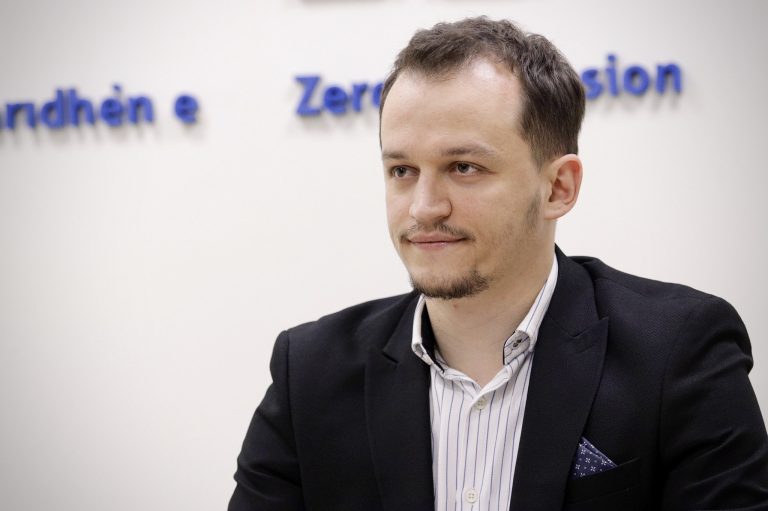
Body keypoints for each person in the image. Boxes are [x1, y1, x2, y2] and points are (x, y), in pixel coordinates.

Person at [228, 17, 768, 510]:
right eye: (402, 171)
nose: (423, 208)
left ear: (558, 187)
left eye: (464, 167)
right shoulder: (310, 372)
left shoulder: (676, 351)